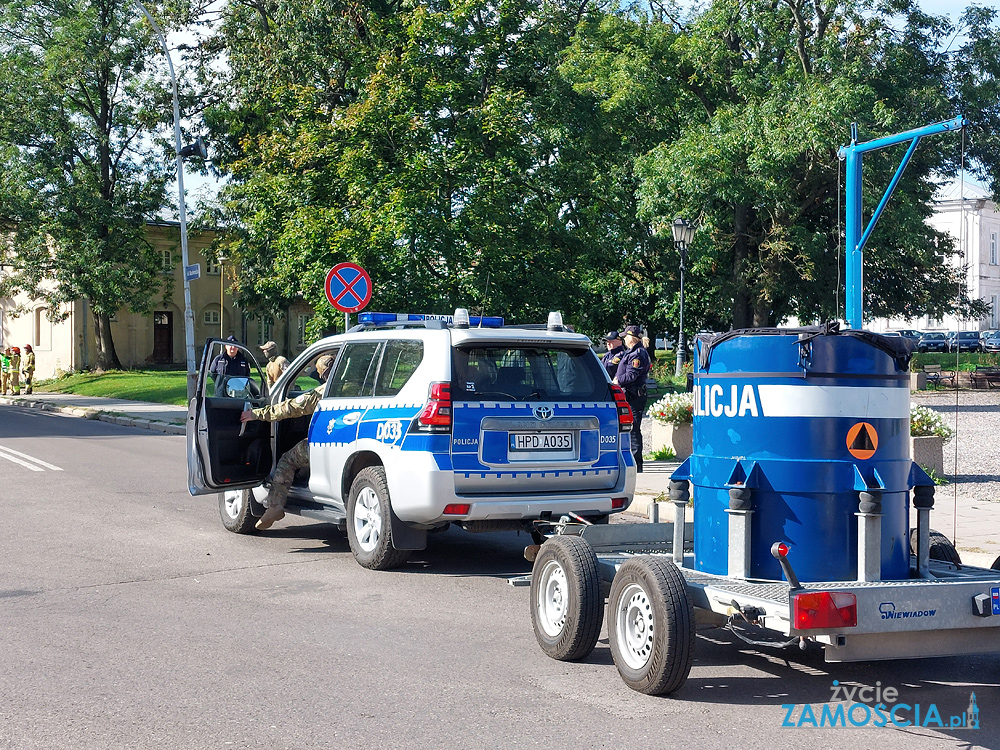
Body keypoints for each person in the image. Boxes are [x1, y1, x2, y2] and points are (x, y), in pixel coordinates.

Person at [239, 353, 335, 530]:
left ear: (322, 374)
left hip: (326, 443)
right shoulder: (360, 388)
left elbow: (289, 408)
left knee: (287, 460)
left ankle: (275, 507)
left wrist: (255, 414)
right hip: (348, 443)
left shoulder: (323, 392)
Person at [613, 325, 652, 472]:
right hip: (629, 395)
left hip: (634, 396)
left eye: (625, 337)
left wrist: (617, 381)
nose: (623, 339)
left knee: (634, 428)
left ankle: (637, 464)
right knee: (629, 429)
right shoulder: (632, 352)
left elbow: (631, 375)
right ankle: (631, 462)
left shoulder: (637, 354)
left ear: (631, 338)